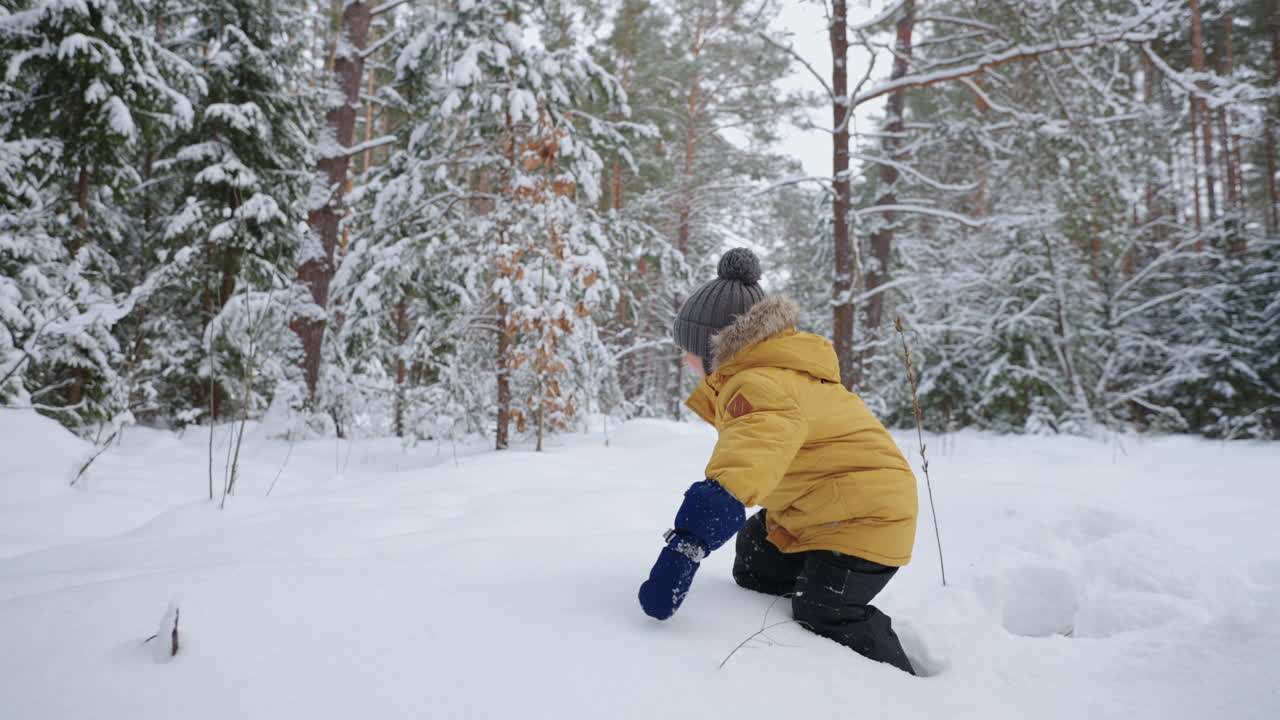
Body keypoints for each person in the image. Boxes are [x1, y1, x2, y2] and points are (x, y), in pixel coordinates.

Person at [637, 247, 918, 675]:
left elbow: (741, 466)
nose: (683, 358)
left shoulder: (760, 386)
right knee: (756, 558)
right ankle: (802, 589)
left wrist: (687, 545)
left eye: (688, 348)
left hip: (868, 517)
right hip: (822, 508)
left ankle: (900, 684)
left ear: (713, 348)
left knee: (823, 609)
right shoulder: (774, 373)